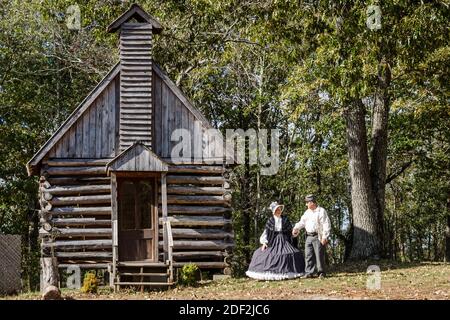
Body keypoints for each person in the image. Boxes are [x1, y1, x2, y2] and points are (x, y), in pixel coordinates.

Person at [246, 201, 305, 280]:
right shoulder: (270, 221)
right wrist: (264, 243)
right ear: (273, 211)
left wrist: (295, 233)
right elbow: (266, 233)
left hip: (284, 241)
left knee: (292, 253)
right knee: (261, 254)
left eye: (280, 209)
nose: (279, 210)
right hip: (273, 241)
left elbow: (290, 232)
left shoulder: (285, 219)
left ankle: (288, 271)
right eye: (277, 209)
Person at [292, 194, 331, 279]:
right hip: (309, 236)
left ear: (312, 202)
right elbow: (302, 222)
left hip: (318, 236)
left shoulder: (321, 211)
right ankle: (309, 272)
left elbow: (326, 224)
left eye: (307, 203)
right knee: (308, 255)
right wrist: (296, 228)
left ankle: (321, 273)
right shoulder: (307, 212)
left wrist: (325, 236)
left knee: (319, 255)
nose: (306, 204)